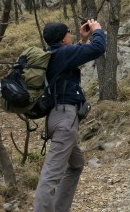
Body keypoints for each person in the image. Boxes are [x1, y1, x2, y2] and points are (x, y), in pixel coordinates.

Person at [33, 19, 106, 212]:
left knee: (76, 164)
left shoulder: (52, 55)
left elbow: (70, 62)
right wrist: (97, 30)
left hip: (55, 118)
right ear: (62, 37)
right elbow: (98, 48)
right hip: (65, 120)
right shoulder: (64, 53)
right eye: (68, 33)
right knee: (50, 176)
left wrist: (82, 41)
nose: (71, 35)